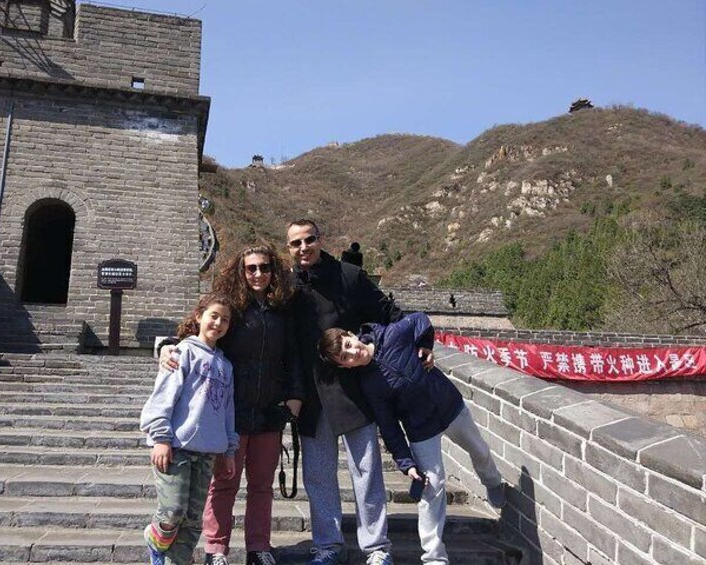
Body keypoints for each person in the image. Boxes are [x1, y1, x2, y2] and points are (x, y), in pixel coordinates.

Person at [318, 312, 506, 565]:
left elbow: (420, 320)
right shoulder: (370, 385)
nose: (354, 353)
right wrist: (406, 464)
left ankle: (492, 480)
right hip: (420, 430)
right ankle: (434, 557)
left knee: (479, 450)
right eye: (345, 357)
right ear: (344, 366)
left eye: (350, 345)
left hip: (449, 406)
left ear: (352, 336)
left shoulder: (392, 335)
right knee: (432, 487)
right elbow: (389, 428)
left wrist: (426, 345)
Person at [160, 245, 304, 565]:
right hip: (230, 412)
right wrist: (167, 348)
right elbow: (197, 333)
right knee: (223, 483)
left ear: (273, 271)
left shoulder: (283, 310)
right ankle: (216, 549)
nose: (257, 274)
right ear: (240, 271)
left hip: (269, 410)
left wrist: (294, 400)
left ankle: (258, 548)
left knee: (262, 486)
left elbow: (293, 357)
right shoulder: (232, 310)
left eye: (264, 268)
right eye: (250, 268)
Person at [286, 219, 401, 565]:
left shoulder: (348, 277)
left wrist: (417, 343)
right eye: (295, 243)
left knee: (366, 471)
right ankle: (328, 546)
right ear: (289, 248)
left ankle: (377, 548)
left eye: (309, 240)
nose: (303, 248)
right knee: (318, 475)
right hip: (310, 395)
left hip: (353, 390)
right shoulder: (288, 287)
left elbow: (391, 315)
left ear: (321, 240)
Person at [141, 293, 239, 565]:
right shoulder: (182, 352)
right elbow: (163, 395)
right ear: (199, 317)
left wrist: (229, 449)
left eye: (225, 320)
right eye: (214, 316)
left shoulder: (226, 366)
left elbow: (228, 411)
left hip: (208, 451)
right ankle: (154, 537)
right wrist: (160, 437)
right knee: (172, 512)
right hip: (176, 448)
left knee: (194, 519)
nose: (218, 323)